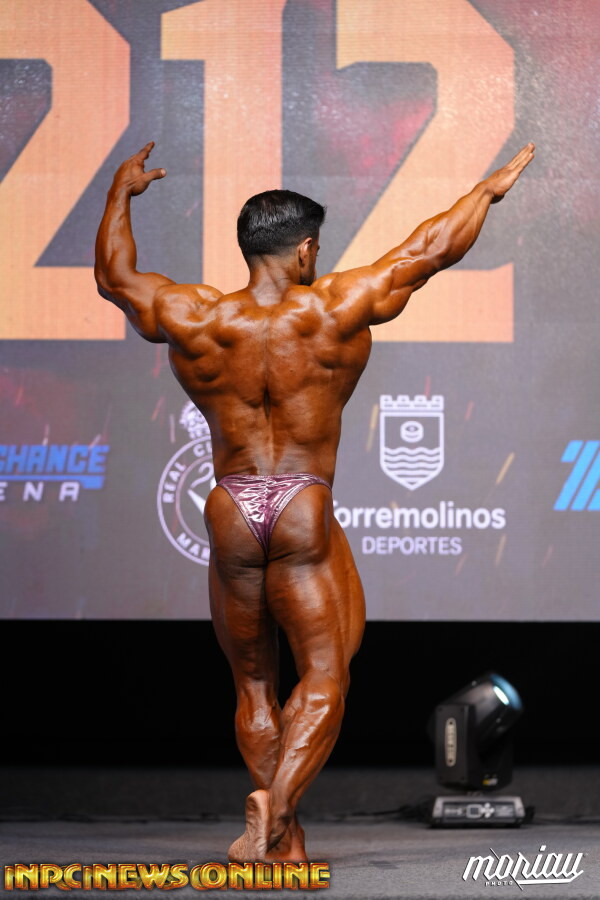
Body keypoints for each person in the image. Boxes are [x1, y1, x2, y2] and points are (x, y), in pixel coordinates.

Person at [95, 139, 534, 862]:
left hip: (232, 504)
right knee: (326, 675)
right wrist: (485, 193)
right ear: (304, 250)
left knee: (254, 685)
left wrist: (120, 193)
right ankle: (278, 809)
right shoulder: (332, 307)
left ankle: (283, 841)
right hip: (300, 500)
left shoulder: (195, 315)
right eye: (316, 250)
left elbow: (115, 278)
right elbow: (428, 250)